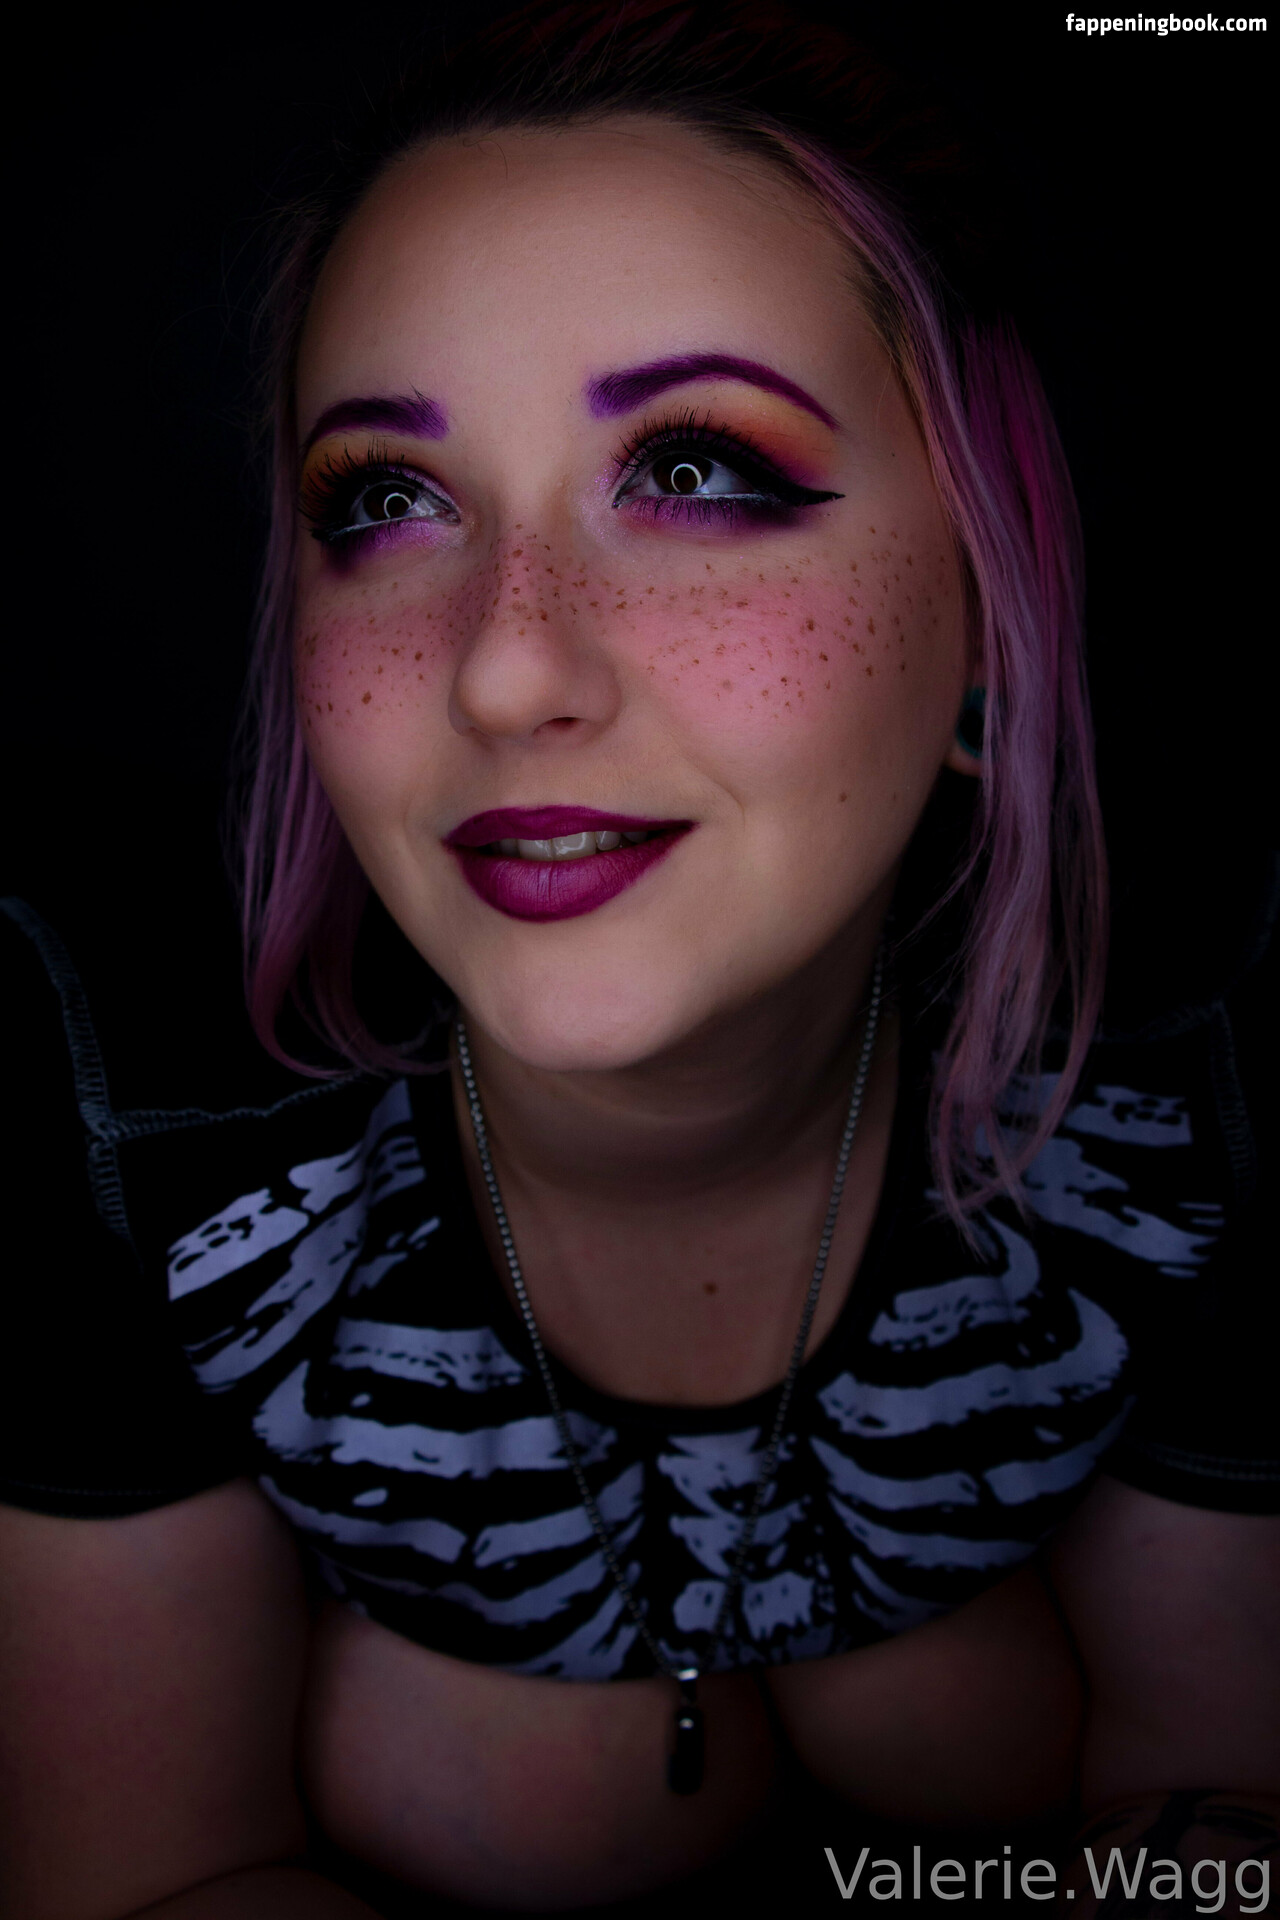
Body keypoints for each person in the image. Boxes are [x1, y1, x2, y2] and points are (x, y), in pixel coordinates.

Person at [2, 3, 1276, 1915]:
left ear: (986, 593)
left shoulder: (1204, 1048)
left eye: (694, 468)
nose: (506, 669)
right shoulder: (118, 1104)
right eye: (385, 500)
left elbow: (1217, 1803)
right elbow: (140, 1879)